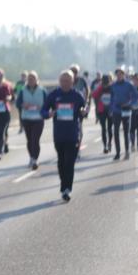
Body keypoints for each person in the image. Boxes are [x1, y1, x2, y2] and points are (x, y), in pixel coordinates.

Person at [41, 71, 88, 201]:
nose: (65, 83)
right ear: (59, 81)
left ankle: (67, 189)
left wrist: (84, 112)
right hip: (59, 134)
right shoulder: (54, 95)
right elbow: (43, 111)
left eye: (67, 81)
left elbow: (84, 109)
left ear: (72, 82)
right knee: (61, 162)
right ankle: (64, 185)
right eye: (62, 81)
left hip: (73, 134)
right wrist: (48, 114)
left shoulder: (77, 95)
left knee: (70, 162)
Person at [15, 71, 47, 170]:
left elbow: (48, 103)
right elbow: (17, 103)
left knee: (35, 139)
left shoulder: (42, 90)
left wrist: (42, 108)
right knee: (29, 140)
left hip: (38, 118)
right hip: (27, 118)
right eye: (29, 79)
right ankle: (31, 157)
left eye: (33, 79)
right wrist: (23, 105)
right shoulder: (23, 90)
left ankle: (35, 159)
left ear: (37, 80)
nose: (31, 81)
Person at [108, 67, 138, 160]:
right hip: (116, 111)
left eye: (120, 74)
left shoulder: (129, 85)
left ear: (123, 75)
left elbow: (136, 96)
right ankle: (117, 153)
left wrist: (130, 104)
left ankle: (127, 151)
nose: (119, 76)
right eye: (117, 74)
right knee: (116, 131)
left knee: (126, 132)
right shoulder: (113, 85)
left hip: (126, 110)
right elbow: (111, 97)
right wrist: (111, 108)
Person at [91, 74, 113, 153]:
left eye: (107, 83)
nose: (105, 85)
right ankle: (105, 146)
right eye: (104, 83)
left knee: (109, 128)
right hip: (102, 111)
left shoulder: (112, 88)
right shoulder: (100, 88)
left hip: (110, 110)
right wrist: (100, 88)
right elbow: (93, 95)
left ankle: (109, 143)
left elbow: (116, 96)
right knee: (103, 128)